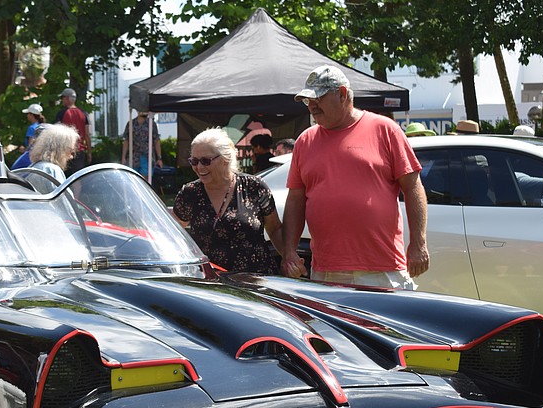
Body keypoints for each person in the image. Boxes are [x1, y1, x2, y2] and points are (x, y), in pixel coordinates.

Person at [280, 65, 429, 290]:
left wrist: (419, 243)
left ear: (341, 94)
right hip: (326, 271)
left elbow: (413, 187)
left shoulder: (385, 129)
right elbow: (295, 199)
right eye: (307, 100)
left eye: (317, 98)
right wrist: (289, 251)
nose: (311, 106)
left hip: (382, 268)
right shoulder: (305, 141)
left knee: (382, 328)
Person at [173, 128, 284, 274]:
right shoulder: (190, 193)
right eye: (194, 161)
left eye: (206, 161)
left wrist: (289, 257)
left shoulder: (254, 187)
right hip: (208, 282)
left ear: (225, 159)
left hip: (254, 280)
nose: (199, 167)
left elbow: (275, 229)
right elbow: (172, 233)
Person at [54, 88, 91, 175]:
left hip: (65, 151)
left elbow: (56, 133)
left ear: (67, 98)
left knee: (64, 177)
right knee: (78, 177)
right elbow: (87, 134)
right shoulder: (83, 113)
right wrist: (89, 152)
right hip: (80, 151)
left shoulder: (62, 113)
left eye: (62, 98)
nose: (62, 100)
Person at [121, 111, 162, 175]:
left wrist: (159, 158)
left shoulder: (151, 124)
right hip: (133, 157)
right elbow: (126, 141)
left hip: (147, 157)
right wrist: (123, 157)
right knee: (132, 178)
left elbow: (156, 141)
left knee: (146, 180)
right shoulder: (131, 124)